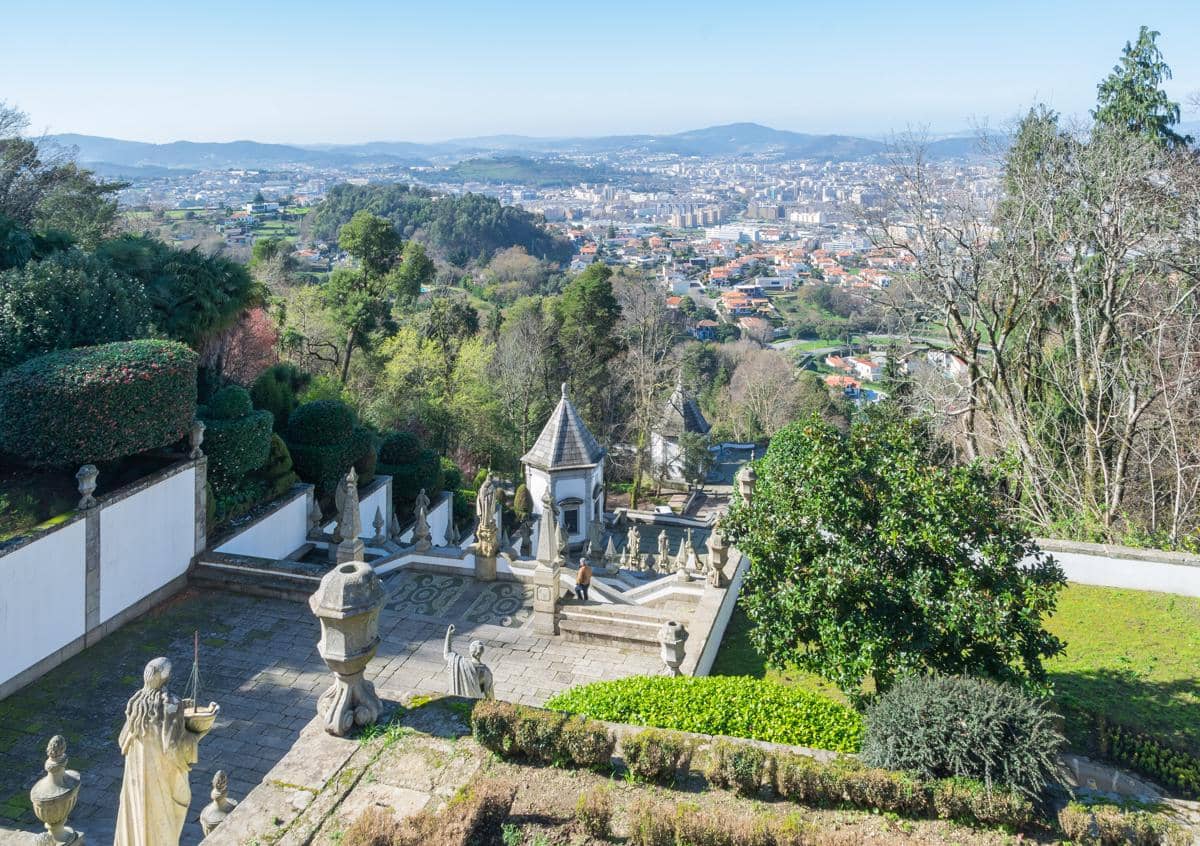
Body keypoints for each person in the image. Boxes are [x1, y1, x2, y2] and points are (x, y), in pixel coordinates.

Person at [114, 657, 217, 846]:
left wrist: (181, 707)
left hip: (136, 776)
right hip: (160, 776)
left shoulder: (136, 702)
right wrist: (199, 733)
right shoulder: (170, 703)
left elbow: (123, 740)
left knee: (138, 815)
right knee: (162, 818)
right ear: (165, 678)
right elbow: (172, 747)